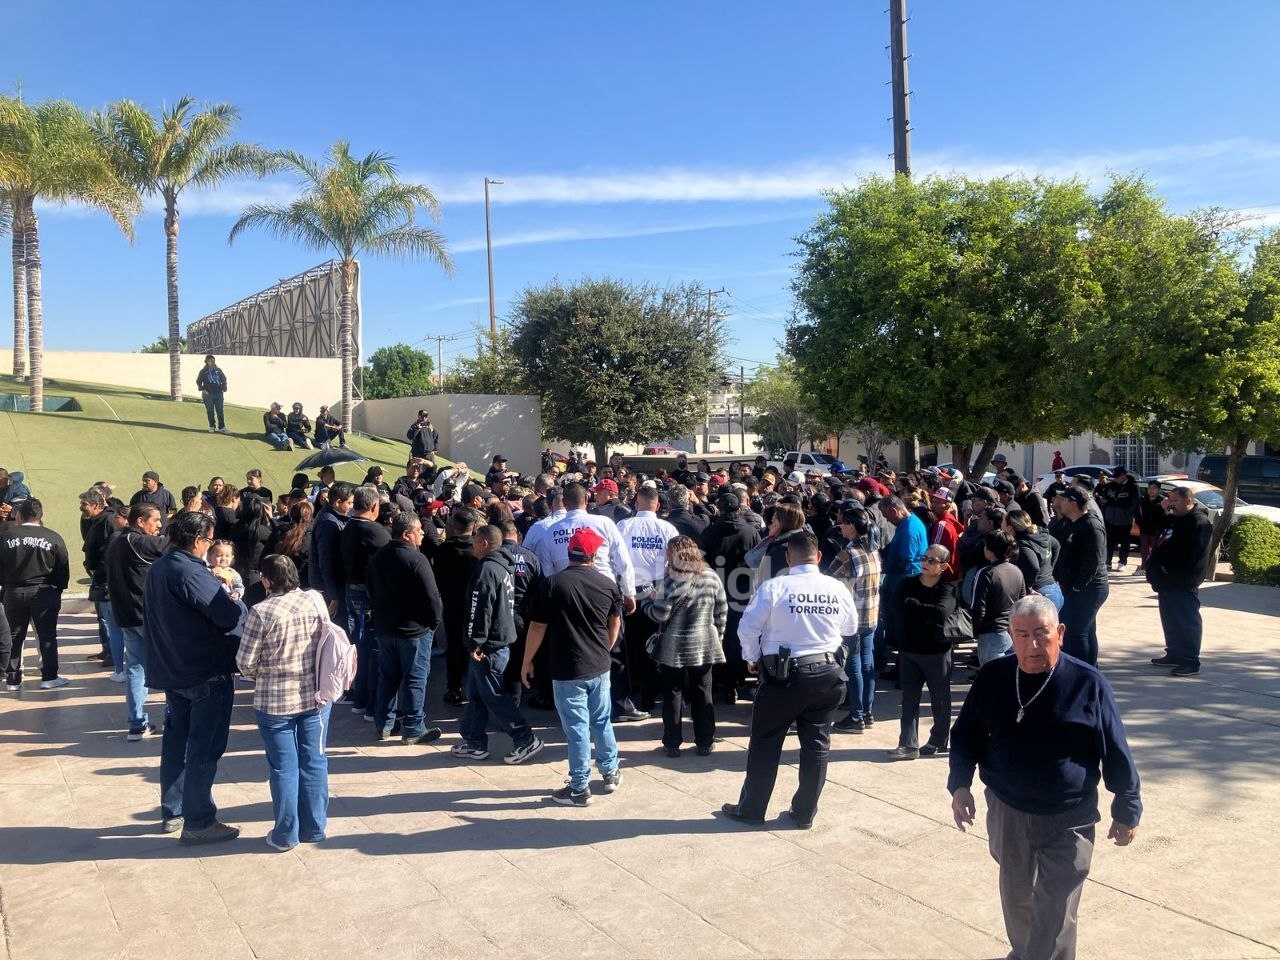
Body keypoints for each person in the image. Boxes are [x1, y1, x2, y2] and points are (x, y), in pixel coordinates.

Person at [949, 595, 1141, 960]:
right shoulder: (993, 677)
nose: (1032, 645)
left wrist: (1127, 807)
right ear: (1010, 634)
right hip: (1008, 810)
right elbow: (965, 735)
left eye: (1042, 633)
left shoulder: (1088, 684)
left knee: (1055, 910)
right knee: (1017, 899)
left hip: (1068, 818)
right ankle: (1025, 953)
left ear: (1061, 633)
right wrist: (960, 784)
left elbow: (1115, 749)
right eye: (1022, 635)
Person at [722, 531, 856, 829]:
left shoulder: (775, 587)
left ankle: (752, 809)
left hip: (785, 676)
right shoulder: (837, 587)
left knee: (765, 744)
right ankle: (805, 812)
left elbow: (747, 627)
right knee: (817, 745)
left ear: (788, 557)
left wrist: (752, 656)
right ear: (818, 556)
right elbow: (850, 627)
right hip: (827, 673)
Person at [144, 510, 246, 844]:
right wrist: (233, 597)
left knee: (176, 743)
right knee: (204, 746)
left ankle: (173, 811)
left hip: (175, 670)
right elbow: (228, 615)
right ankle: (199, 820)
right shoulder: (189, 571)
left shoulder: (160, 567)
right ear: (200, 541)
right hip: (203, 672)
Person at [522, 528, 624, 807]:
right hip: (599, 664)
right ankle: (610, 771)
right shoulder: (607, 584)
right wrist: (606, 647)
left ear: (570, 552)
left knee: (577, 727)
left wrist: (527, 660)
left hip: (567, 667)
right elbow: (614, 623)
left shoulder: (553, 584)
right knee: (601, 720)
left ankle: (579, 787)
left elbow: (538, 626)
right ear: (593, 555)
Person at [235, 554, 330, 850]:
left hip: (275, 702)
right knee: (314, 761)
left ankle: (286, 833)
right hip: (315, 696)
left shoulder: (261, 611)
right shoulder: (315, 600)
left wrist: (263, 672)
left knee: (283, 768)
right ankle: (314, 828)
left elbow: (245, 663)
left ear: (266, 579)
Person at [452, 525, 544, 763]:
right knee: (477, 693)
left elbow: (479, 608)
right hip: (501, 638)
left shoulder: (486, 569)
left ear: (484, 543)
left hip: (489, 644)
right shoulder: (503, 567)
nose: (471, 545)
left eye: (475, 541)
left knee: (493, 695)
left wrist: (476, 642)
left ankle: (525, 738)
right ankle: (474, 741)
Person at [641, 535, 727, 757]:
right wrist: (719, 635)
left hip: (675, 645)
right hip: (704, 642)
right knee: (703, 690)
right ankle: (705, 741)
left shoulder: (671, 580)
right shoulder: (711, 576)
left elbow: (661, 614)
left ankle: (672, 743)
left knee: (673, 692)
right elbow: (721, 611)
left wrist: (646, 605)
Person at [367, 512, 445, 743]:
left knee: (388, 678)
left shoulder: (379, 556)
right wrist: (435, 622)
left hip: (385, 628)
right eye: (418, 530)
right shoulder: (416, 559)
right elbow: (432, 596)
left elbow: (370, 588)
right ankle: (414, 727)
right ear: (406, 534)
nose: (422, 533)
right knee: (415, 678)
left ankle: (384, 724)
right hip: (414, 630)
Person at [886, 543, 957, 760]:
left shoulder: (947, 588)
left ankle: (938, 740)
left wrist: (914, 606)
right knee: (909, 700)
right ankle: (908, 744)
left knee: (940, 700)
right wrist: (921, 612)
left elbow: (941, 612)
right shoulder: (907, 584)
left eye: (932, 560)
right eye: (924, 558)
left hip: (937, 652)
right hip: (909, 651)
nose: (925, 563)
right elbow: (895, 608)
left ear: (943, 566)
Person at [105, 503, 167, 739]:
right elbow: (171, 544)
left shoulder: (117, 542)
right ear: (140, 521)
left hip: (127, 615)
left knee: (136, 669)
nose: (160, 525)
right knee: (166, 666)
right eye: (156, 520)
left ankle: (137, 724)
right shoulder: (135, 541)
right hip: (145, 617)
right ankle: (171, 718)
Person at [616, 486, 679, 713]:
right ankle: (650, 694)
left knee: (630, 645)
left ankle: (632, 692)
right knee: (654, 644)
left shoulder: (624, 526)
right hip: (657, 593)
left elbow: (617, 559)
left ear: (636, 504)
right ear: (658, 506)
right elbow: (675, 562)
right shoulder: (667, 528)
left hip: (630, 592)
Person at [0, 498, 71, 690]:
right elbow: (62, 568)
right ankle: (49, 677)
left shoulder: (5, 537)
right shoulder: (52, 537)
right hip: (45, 591)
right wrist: (57, 589)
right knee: (47, 636)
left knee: (14, 636)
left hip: (13, 592)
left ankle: (13, 679)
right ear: (41, 516)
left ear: (20, 515)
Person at [1147, 486, 1213, 677]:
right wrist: (1161, 507)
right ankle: (1174, 653)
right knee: (1170, 620)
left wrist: (1168, 567)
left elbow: (1190, 554)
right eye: (1170, 500)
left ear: (1188, 501)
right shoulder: (1175, 519)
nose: (1171, 504)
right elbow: (1154, 524)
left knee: (1186, 622)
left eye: (1175, 501)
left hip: (1182, 581)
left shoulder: (1198, 523)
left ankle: (1190, 661)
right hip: (1166, 581)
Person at [340, 485, 391, 715]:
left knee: (362, 644)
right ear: (374, 506)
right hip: (368, 594)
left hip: (352, 589)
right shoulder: (375, 532)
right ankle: (370, 703)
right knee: (372, 646)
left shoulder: (348, 526)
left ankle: (359, 699)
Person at [830, 508, 881, 734]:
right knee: (868, 665)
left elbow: (830, 580)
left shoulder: (848, 554)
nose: (840, 527)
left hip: (853, 618)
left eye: (842, 523)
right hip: (871, 614)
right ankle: (867, 712)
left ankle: (857, 715)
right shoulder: (873, 550)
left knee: (854, 665)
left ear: (851, 525)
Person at [429, 508, 480, 706]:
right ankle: (474, 687)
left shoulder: (443, 550)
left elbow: (437, 579)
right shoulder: (477, 550)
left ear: (454, 526)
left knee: (454, 645)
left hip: (451, 603)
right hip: (473, 605)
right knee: (474, 645)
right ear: (473, 526)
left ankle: (454, 687)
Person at [1053, 488, 1108, 666]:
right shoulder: (1071, 522)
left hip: (1089, 589)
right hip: (1073, 587)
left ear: (1073, 503)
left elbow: (1094, 561)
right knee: (1086, 631)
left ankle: (1081, 671)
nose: (1059, 502)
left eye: (1063, 499)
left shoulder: (1091, 525)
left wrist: (1077, 586)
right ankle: (1091, 669)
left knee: (1076, 633)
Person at [876, 495, 928, 675]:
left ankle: (904, 669)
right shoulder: (906, 525)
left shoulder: (910, 529)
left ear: (894, 510)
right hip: (900, 581)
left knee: (903, 627)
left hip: (905, 582)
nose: (886, 519)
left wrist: (884, 566)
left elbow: (905, 560)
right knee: (900, 627)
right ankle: (902, 666)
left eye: (886, 515)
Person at [970, 531, 1028, 665]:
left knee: (991, 679)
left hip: (991, 633)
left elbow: (978, 607)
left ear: (990, 551)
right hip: (1011, 633)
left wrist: (975, 631)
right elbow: (1022, 602)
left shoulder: (986, 573)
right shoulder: (1017, 571)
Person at [1006, 510, 1063, 611]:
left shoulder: (1024, 544)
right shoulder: (1041, 535)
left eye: (1003, 523)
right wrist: (1050, 569)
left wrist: (1028, 588)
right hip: (1054, 591)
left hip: (1041, 595)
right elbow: (1056, 545)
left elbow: (1034, 567)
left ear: (1010, 528)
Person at [1098, 465, 1139, 569]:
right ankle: (1108, 562)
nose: (1115, 479)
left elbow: (1135, 503)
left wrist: (1127, 513)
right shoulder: (1110, 485)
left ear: (1123, 475)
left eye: (1117, 477)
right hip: (1110, 518)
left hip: (1125, 520)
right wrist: (1104, 504)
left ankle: (1122, 562)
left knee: (1125, 542)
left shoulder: (1133, 487)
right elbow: (1104, 498)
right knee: (1109, 542)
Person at [1134, 481, 1167, 573]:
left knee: (1156, 551)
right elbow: (1137, 514)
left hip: (1157, 531)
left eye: (1154, 488)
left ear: (1158, 490)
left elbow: (1166, 515)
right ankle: (1144, 567)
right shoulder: (1142, 500)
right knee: (1144, 550)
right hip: (1144, 530)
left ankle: (1155, 568)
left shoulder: (1163, 501)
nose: (1151, 490)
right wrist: (1140, 523)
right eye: (1150, 488)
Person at [195, 354, 228, 433]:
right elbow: (198, 381)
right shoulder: (203, 371)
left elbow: (224, 379)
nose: (212, 362)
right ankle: (212, 426)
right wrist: (203, 389)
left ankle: (222, 427)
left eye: (213, 360)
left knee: (220, 411)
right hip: (208, 395)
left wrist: (224, 388)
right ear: (207, 362)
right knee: (210, 411)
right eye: (210, 361)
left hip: (219, 394)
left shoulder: (218, 370)